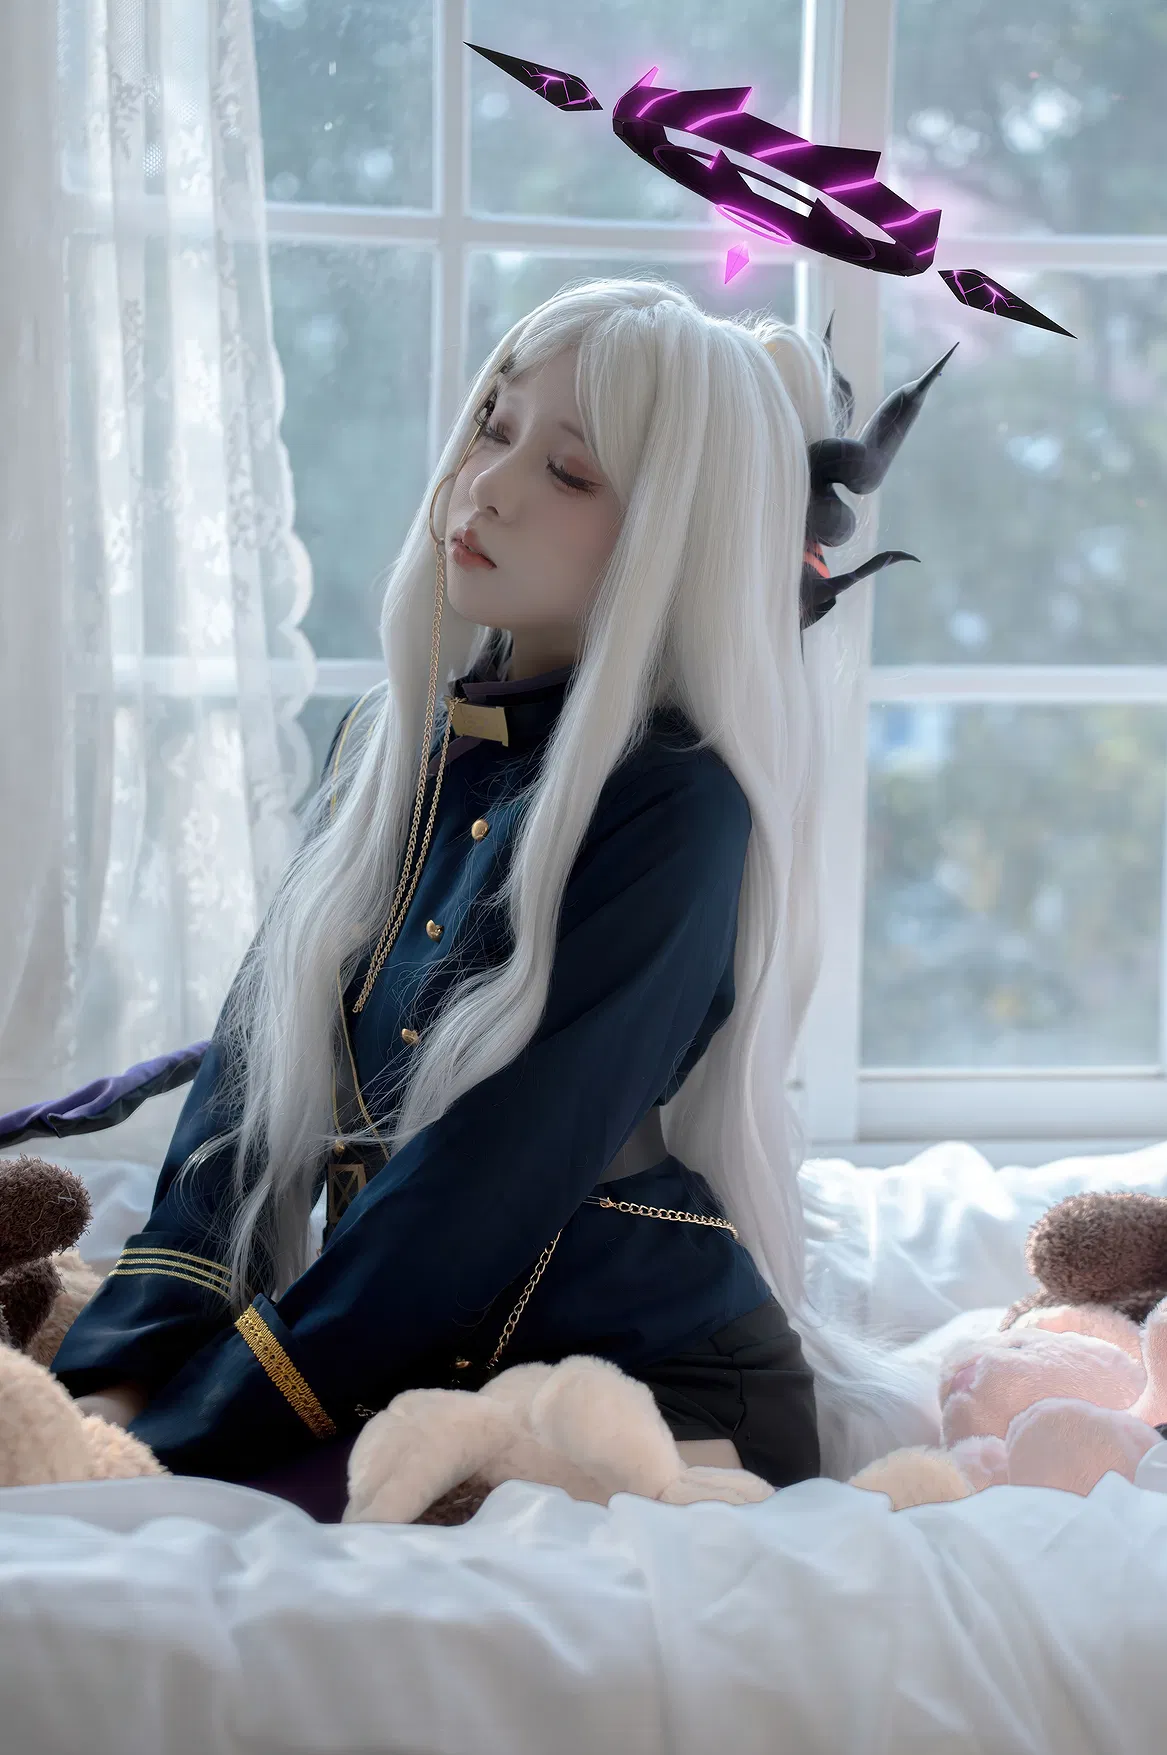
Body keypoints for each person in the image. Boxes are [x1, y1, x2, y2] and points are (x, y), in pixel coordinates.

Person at [49, 277, 944, 1518]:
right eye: (493, 424)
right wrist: (113, 1376)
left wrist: (197, 1428)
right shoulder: (386, 751)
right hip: (396, 1370)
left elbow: (484, 1182)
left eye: (569, 472)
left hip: (659, 1397)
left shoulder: (678, 805)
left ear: (671, 536)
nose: (488, 485)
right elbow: (241, 1103)